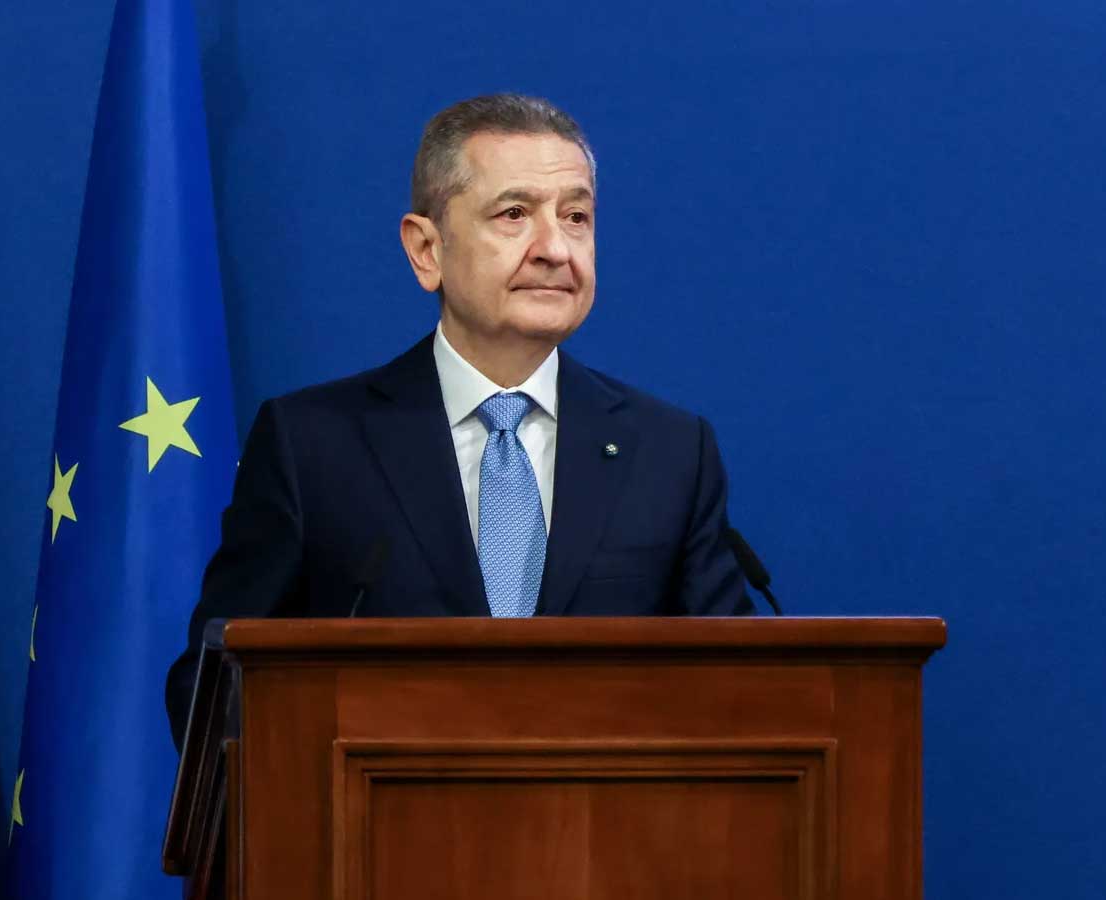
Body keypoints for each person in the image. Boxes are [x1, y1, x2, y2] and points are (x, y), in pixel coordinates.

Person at [165, 94, 753, 743]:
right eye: (514, 214)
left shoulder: (670, 452)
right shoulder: (313, 447)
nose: (555, 248)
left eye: (576, 216)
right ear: (427, 250)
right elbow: (213, 692)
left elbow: (742, 695)